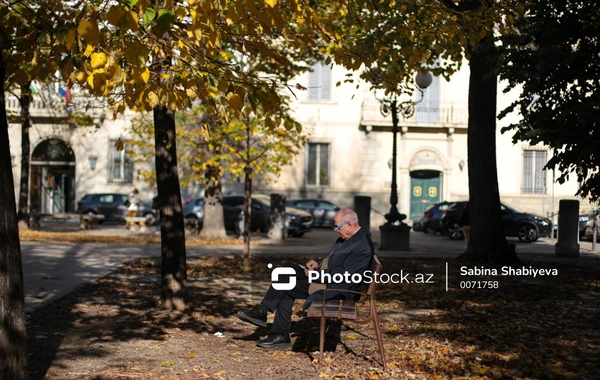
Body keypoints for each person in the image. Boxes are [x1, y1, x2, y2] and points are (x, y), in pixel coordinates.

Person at [237, 208, 374, 348]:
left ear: (349, 225)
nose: (335, 230)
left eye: (337, 226)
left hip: (339, 288)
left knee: (285, 286)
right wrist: (318, 263)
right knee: (286, 269)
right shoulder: (350, 237)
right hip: (330, 278)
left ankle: (277, 330)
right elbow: (336, 261)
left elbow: (344, 276)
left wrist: (316, 275)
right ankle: (263, 312)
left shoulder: (362, 246)